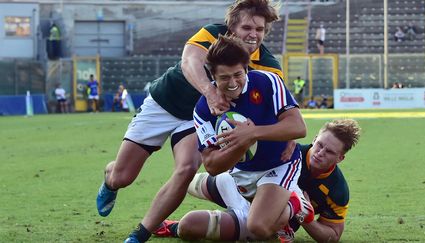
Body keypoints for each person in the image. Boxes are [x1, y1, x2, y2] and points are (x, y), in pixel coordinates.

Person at [95, 1, 284, 242]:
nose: (253, 34)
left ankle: (140, 234)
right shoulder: (212, 33)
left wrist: (283, 140)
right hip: (165, 102)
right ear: (231, 26)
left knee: (186, 169)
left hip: (197, 117)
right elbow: (189, 62)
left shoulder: (269, 66)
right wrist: (209, 90)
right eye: (247, 27)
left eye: (259, 29)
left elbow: (276, 108)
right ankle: (109, 181)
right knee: (122, 177)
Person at [175, 35, 308, 241]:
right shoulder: (203, 109)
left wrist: (252, 132)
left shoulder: (268, 82)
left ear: (246, 68)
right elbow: (211, 165)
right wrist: (241, 143)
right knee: (190, 215)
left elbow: (298, 127)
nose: (232, 83)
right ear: (213, 76)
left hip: (280, 164)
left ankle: (295, 201)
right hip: (241, 173)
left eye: (238, 74)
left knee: (258, 228)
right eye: (224, 77)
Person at [155, 119, 361, 243]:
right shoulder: (289, 152)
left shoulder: (337, 189)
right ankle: (291, 202)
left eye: (330, 151)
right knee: (190, 183)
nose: (320, 153)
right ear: (315, 138)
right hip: (244, 189)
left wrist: (306, 220)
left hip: (257, 220)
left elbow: (332, 236)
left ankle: (172, 227)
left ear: (340, 158)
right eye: (320, 145)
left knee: (189, 226)